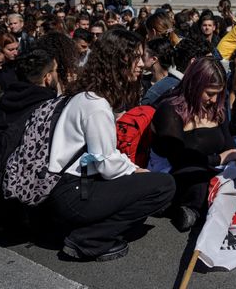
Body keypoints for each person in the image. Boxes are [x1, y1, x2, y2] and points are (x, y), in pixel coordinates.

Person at [46, 29, 175, 262]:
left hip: (71, 185)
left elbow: (104, 156)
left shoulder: (88, 95)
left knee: (143, 181)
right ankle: (90, 238)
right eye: (136, 57)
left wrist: (131, 169)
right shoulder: (96, 105)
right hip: (74, 191)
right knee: (163, 185)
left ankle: (82, 229)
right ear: (119, 60)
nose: (141, 64)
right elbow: (104, 162)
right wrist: (136, 171)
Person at [149, 57, 236, 230]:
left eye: (218, 93)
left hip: (210, 167)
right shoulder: (169, 109)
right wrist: (219, 159)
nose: (214, 100)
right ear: (194, 86)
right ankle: (189, 209)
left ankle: (204, 208)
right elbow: (179, 158)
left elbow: (227, 145)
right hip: (174, 170)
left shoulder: (216, 109)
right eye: (210, 93)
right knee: (197, 179)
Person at [141, 37, 180, 106]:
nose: (140, 59)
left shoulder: (173, 87)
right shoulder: (142, 81)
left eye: (143, 55)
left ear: (153, 59)